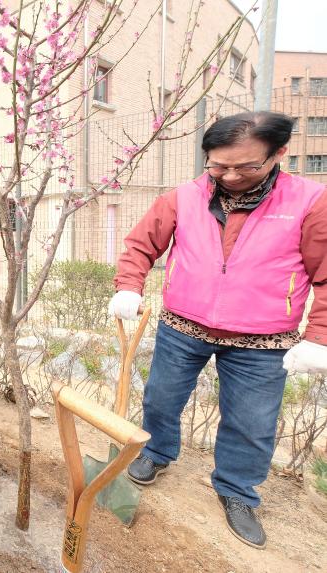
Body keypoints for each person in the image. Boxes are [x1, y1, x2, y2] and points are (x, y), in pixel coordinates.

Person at [109, 111, 327, 549]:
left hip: (262, 341)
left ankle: (237, 490)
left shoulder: (309, 202)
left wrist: (319, 337)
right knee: (161, 398)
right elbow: (140, 244)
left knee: (251, 423)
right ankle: (154, 452)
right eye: (217, 164)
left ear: (278, 153)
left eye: (245, 166)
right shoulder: (184, 197)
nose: (228, 175)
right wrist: (129, 286)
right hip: (182, 327)